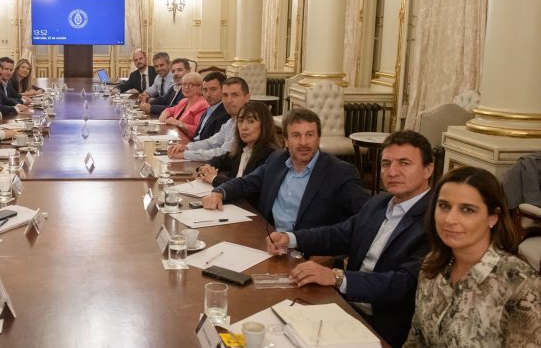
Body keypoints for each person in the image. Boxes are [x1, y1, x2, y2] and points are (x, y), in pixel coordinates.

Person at [267, 130, 435, 347]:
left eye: (404, 163)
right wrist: (290, 239)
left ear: (428, 169)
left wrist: (337, 277)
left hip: (381, 325)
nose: (392, 172)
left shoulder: (434, 221)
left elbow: (403, 283)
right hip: (344, 306)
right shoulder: (380, 202)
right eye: (386, 164)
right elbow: (341, 234)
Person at [404, 167, 541, 347]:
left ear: (492, 217)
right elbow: (416, 340)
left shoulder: (521, 285)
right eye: (444, 206)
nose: (450, 219)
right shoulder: (433, 264)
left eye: (467, 210)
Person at [202, 108, 369, 232]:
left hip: (310, 254)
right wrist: (219, 192)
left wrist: (332, 255)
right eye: (296, 136)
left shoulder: (340, 172)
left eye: (310, 135)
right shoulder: (277, 160)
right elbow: (246, 183)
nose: (304, 142)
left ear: (319, 138)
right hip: (270, 242)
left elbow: (367, 216)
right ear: (286, 141)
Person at [168, 77, 251, 161]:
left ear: (247, 97)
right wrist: (186, 147)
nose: (229, 100)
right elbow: (211, 143)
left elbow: (224, 153)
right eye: (225, 95)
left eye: (235, 95)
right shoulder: (230, 121)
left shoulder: (249, 124)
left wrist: (186, 154)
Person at [198, 101, 278, 187]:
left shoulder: (270, 155)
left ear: (264, 125)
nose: (244, 127)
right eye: (240, 121)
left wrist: (213, 178)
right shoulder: (243, 149)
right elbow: (221, 160)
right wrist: (207, 167)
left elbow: (247, 185)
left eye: (251, 122)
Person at [158, 72, 208, 137]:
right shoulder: (184, 101)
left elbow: (197, 130)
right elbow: (170, 110)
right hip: (176, 136)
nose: (186, 87)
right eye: (184, 84)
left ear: (200, 87)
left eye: (191, 84)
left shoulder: (202, 105)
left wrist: (178, 123)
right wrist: (164, 113)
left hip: (188, 142)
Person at [192, 71, 230, 141]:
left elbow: (215, 145)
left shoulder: (225, 114)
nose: (208, 94)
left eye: (213, 89)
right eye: (205, 90)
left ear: (223, 89)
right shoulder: (209, 109)